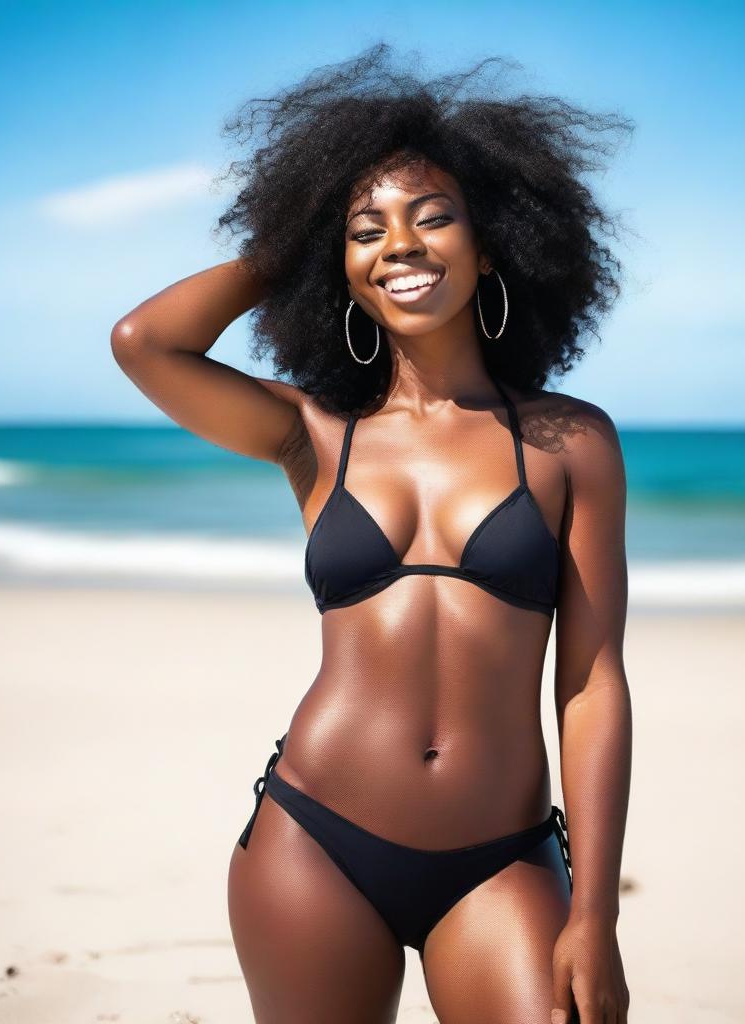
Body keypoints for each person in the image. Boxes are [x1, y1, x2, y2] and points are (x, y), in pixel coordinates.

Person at [112, 44, 633, 1024]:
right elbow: (146, 343)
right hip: (315, 840)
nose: (400, 244)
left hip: (503, 857)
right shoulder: (312, 435)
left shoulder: (569, 442)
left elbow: (591, 681)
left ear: (495, 241)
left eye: (433, 217)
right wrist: (299, 238)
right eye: (367, 232)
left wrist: (594, 911)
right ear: (339, 272)